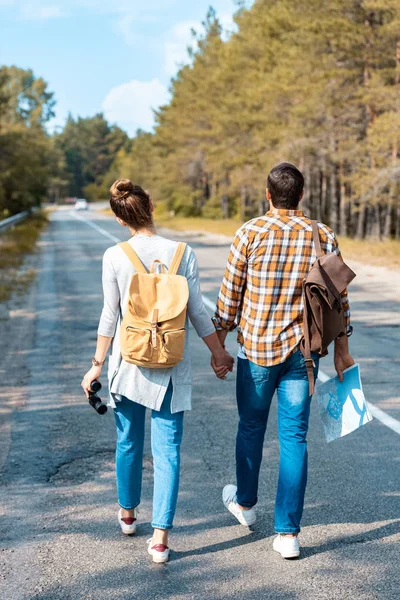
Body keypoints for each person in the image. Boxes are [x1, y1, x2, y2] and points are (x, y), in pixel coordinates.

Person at [81, 179, 233, 563]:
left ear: (119, 219)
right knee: (168, 451)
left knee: (128, 442)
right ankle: (161, 538)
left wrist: (96, 366)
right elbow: (197, 310)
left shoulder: (115, 255)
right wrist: (218, 353)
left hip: (129, 363)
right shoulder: (183, 253)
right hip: (171, 363)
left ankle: (129, 514)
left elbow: (110, 315)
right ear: (152, 206)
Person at [212, 162, 354, 559]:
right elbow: (339, 301)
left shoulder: (251, 232)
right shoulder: (322, 235)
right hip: (303, 356)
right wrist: (342, 352)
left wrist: (219, 348)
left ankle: (245, 504)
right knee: (294, 438)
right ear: (302, 195)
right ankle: (288, 534)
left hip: (257, 351)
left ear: (269, 194)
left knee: (251, 428)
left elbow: (229, 298)